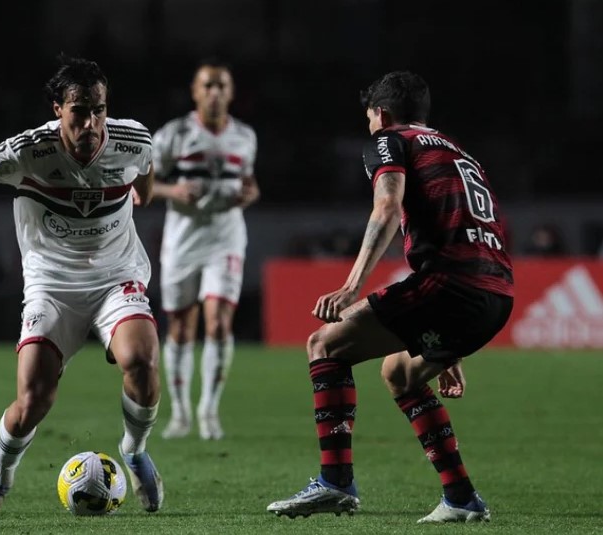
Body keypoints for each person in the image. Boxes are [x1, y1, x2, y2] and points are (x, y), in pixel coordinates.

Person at [0, 55, 164, 515]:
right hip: (51, 287)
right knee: (33, 398)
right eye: (80, 110)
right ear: (58, 108)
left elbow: (146, 170)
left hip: (116, 275)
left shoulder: (132, 137)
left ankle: (135, 451)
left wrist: (145, 192)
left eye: (99, 109)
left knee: (140, 360)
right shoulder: (28, 151)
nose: (92, 122)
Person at [266, 71, 514, 523]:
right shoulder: (459, 153)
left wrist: (351, 286)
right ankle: (460, 497)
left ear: (380, 113)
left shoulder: (390, 140)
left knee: (324, 344)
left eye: (369, 117)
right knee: (401, 372)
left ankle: (334, 482)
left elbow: (386, 205)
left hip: (451, 285)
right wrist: (441, 335)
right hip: (495, 293)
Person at [150, 59, 260, 440]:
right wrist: (171, 190)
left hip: (226, 235)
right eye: (207, 86)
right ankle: (179, 413)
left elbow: (249, 182)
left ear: (231, 93)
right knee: (181, 326)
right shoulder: (174, 134)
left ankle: (208, 411)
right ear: (195, 91)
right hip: (182, 237)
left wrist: (250, 194)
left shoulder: (245, 136)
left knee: (218, 321)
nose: (214, 93)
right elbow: (143, 183)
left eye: (221, 86)